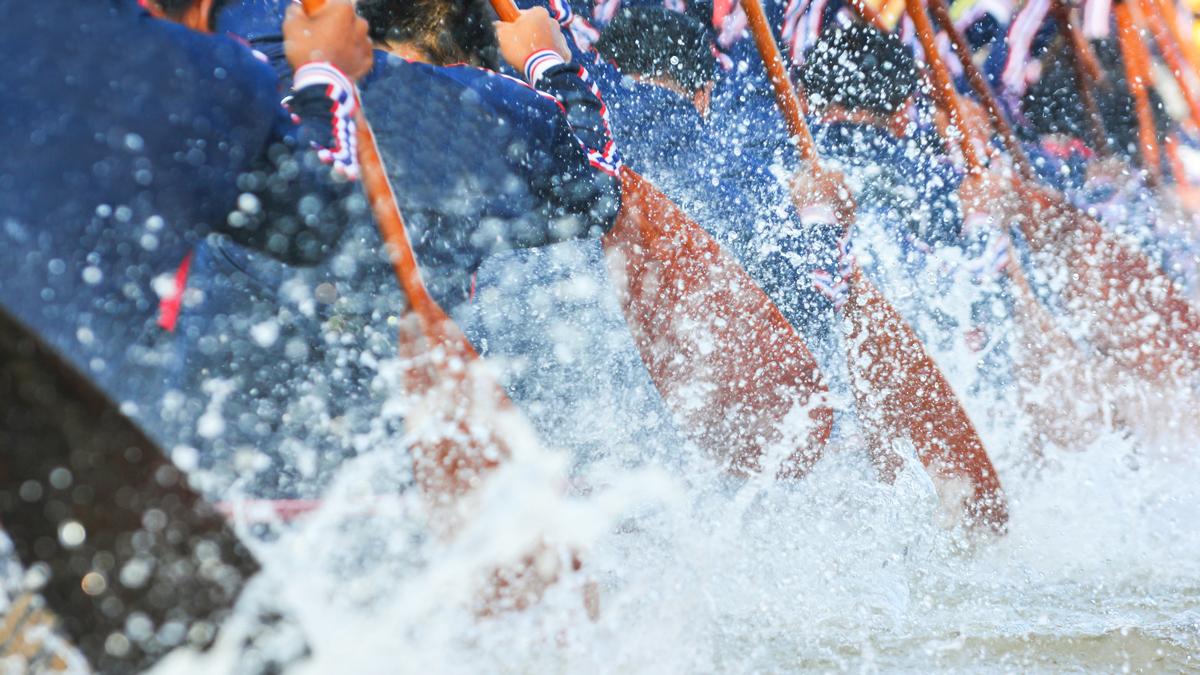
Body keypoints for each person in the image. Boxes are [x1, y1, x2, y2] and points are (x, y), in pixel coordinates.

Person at [354, 0, 693, 469]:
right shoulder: (470, 96)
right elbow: (597, 191)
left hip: (288, 364)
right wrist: (546, 62)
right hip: (405, 392)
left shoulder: (282, 81)